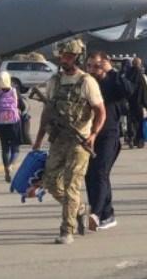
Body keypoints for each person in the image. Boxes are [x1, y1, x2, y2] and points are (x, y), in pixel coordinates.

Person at [32, 39, 106, 245]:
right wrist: (38, 140)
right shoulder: (54, 81)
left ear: (78, 58)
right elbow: (47, 113)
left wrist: (93, 134)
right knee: (50, 182)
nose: (65, 59)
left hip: (79, 141)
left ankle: (67, 230)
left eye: (69, 56)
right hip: (58, 139)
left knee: (71, 185)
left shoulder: (87, 82)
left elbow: (100, 111)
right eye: (63, 55)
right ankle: (79, 208)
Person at [84, 52, 126, 231]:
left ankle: (96, 213)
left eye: (97, 66)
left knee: (101, 172)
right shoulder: (86, 82)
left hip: (109, 134)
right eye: (90, 66)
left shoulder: (112, 81)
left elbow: (128, 90)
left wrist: (112, 72)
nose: (93, 70)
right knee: (90, 174)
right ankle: (107, 214)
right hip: (88, 134)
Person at [0, 71, 26, 182]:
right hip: (14, 123)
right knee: (15, 147)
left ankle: (6, 166)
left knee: (4, 148)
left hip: (1, 124)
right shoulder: (14, 91)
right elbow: (22, 106)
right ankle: (11, 165)